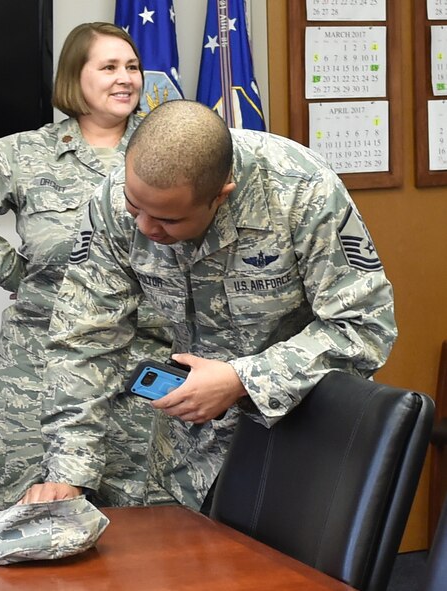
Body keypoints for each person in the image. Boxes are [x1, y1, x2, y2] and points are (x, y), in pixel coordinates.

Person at [19, 99, 397, 506]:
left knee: (285, 572)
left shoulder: (302, 192)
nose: (145, 228)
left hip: (301, 442)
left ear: (221, 195)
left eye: (168, 219)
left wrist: (240, 380)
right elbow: (85, 337)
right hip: (186, 452)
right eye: (135, 208)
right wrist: (68, 473)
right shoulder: (115, 199)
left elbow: (364, 328)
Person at [0, 22, 175, 510]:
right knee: (27, 512)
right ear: (75, 78)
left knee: (147, 521)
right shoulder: (26, 153)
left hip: (143, 358)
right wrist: (14, 271)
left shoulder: (166, 149)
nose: (126, 79)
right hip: (41, 361)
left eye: (133, 67)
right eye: (110, 67)